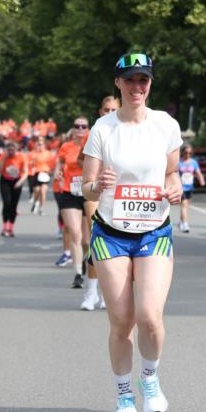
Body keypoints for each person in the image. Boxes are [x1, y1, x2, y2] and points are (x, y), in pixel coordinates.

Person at [82, 53, 182, 412]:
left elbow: (172, 174)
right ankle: (124, 396)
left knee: (150, 316)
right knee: (122, 320)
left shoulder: (165, 125)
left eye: (144, 80)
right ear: (118, 84)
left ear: (150, 84)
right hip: (111, 233)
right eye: (130, 80)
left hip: (154, 231)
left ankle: (150, 379)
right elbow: (87, 188)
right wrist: (98, 184)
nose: (137, 87)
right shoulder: (103, 130)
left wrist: (175, 189)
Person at [79, 95, 120, 310]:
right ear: (100, 111)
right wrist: (96, 168)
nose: (110, 113)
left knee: (118, 245)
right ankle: (91, 292)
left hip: (122, 197)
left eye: (114, 109)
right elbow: (81, 159)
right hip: (97, 191)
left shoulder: (134, 130)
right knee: (97, 241)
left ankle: (108, 291)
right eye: (106, 109)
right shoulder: (97, 131)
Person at [54, 118, 90, 288]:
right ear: (73, 128)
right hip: (69, 192)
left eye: (84, 126)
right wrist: (58, 174)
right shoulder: (66, 147)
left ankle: (85, 261)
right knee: (75, 233)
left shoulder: (93, 143)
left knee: (87, 240)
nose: (80, 129)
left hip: (89, 192)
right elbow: (59, 165)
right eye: (77, 126)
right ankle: (77, 274)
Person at [0, 139, 28, 237]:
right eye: (9, 150)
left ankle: (11, 228)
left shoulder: (22, 157)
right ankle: (5, 227)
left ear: (16, 150)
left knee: (14, 205)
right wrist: (4, 159)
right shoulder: (3, 156)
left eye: (13, 150)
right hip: (5, 180)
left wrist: (20, 181)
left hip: (17, 181)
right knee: (6, 203)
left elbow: (26, 172)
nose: (11, 152)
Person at [177, 144, 205, 232]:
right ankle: (185, 224)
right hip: (182, 187)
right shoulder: (179, 162)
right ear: (182, 153)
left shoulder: (193, 162)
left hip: (190, 187)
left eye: (190, 153)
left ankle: (181, 222)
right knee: (184, 205)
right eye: (186, 152)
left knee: (185, 205)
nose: (188, 154)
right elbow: (174, 174)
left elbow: (198, 172)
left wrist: (201, 180)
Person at [28, 136, 52, 214]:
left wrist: (50, 171)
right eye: (38, 144)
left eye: (41, 144)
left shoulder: (48, 154)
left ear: (44, 145)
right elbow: (29, 164)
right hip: (36, 174)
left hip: (45, 174)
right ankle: (35, 202)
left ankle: (41, 208)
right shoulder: (33, 153)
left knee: (43, 191)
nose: (40, 146)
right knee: (37, 191)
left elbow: (53, 164)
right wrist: (33, 161)